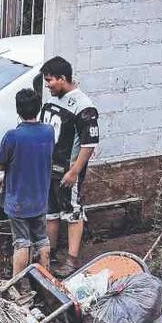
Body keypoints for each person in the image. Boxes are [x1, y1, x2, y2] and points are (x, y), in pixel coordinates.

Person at [38, 56, 100, 276]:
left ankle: (72, 259)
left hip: (67, 171)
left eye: (50, 81)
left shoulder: (84, 107)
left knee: (72, 212)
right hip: (48, 168)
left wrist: (74, 171)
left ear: (63, 78)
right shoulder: (52, 99)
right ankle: (50, 252)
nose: (48, 85)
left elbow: (89, 143)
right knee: (51, 212)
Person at [0, 89, 54, 276]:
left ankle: (18, 284)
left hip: (19, 200)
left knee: (21, 242)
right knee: (42, 240)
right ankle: (46, 281)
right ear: (38, 108)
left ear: (18, 110)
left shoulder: (13, 136)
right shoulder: (48, 131)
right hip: (40, 198)